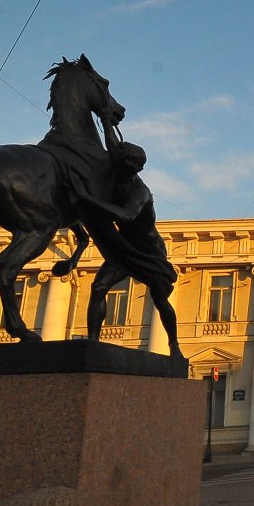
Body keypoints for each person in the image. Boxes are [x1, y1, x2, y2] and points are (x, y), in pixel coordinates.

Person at [75, 142, 182, 358]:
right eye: (118, 159)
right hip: (124, 247)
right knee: (98, 287)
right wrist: (106, 118)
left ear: (134, 167)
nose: (116, 162)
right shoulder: (114, 174)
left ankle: (174, 345)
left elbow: (126, 215)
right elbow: (111, 143)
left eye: (124, 162)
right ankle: (93, 341)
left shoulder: (141, 192)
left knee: (160, 299)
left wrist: (87, 198)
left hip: (149, 252)